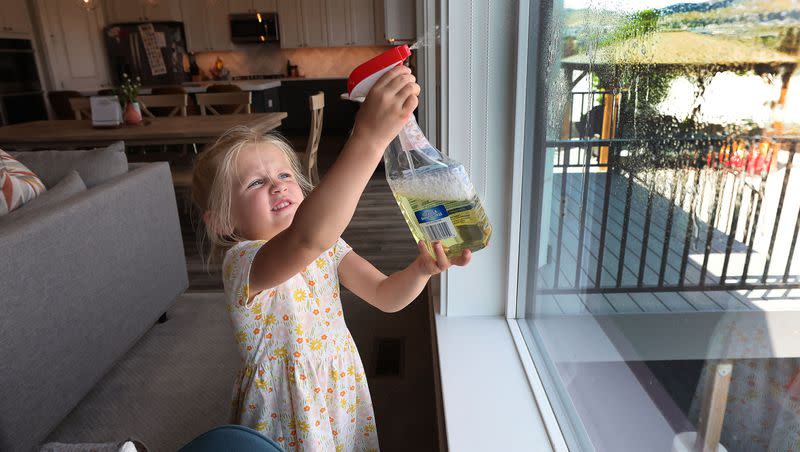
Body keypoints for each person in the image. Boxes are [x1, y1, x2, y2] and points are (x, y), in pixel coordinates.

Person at [190, 66, 472, 451]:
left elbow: (385, 295)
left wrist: (421, 270)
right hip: (285, 414)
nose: (277, 185)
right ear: (223, 222)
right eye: (256, 182)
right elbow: (306, 237)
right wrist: (368, 139)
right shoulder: (243, 263)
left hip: (338, 392)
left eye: (285, 175)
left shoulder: (329, 246)